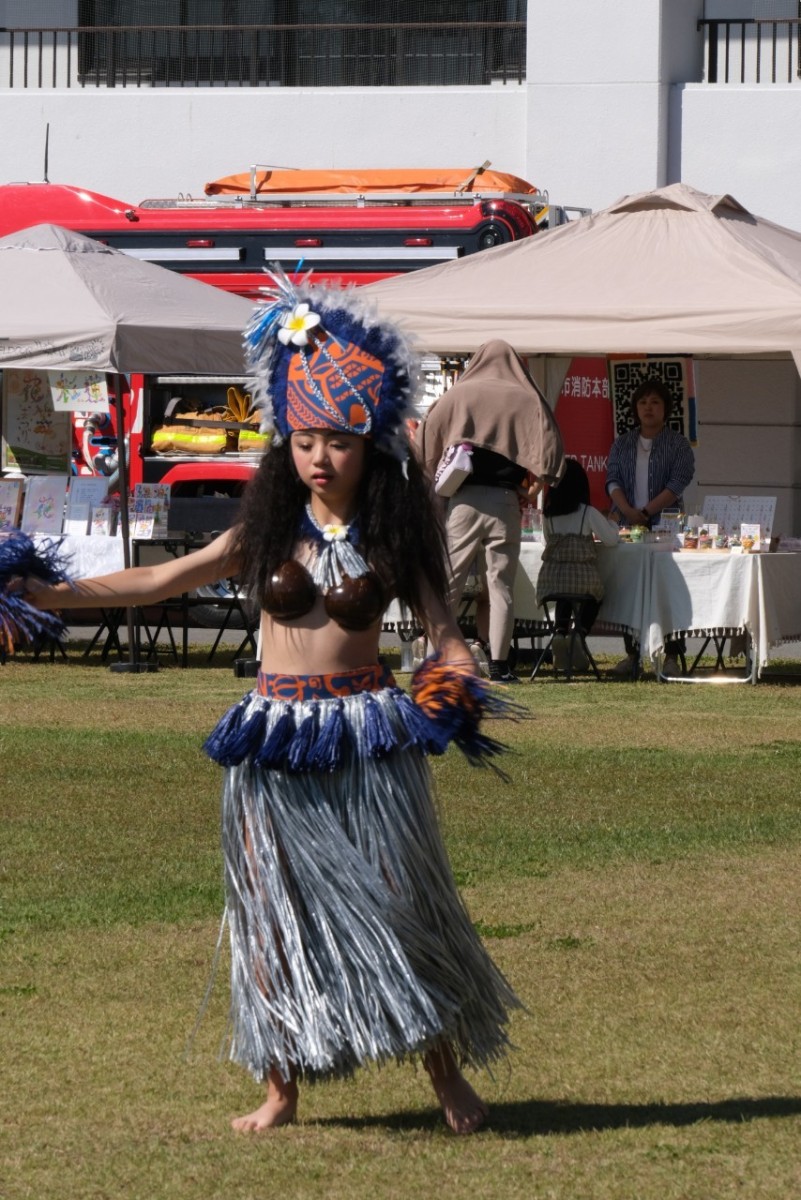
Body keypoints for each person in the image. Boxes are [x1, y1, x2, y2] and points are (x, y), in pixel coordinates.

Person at [13, 274, 520, 1136]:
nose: (319, 458)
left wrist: (457, 678)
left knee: (401, 899)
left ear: (370, 447)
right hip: (273, 735)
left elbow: (446, 633)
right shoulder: (264, 533)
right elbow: (162, 579)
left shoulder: (396, 536)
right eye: (305, 439)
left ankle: (446, 1075)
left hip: (364, 735)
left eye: (338, 442)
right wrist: (51, 595)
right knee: (270, 912)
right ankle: (281, 1087)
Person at [416, 340, 564, 684]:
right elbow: (552, 447)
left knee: (449, 583)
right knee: (501, 587)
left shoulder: (460, 393)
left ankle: (437, 658)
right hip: (506, 502)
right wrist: (534, 487)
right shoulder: (527, 397)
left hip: (463, 501)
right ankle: (499, 665)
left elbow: (425, 437)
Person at [605, 378, 695, 678]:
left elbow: (678, 482)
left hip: (666, 528)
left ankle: (672, 656)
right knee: (629, 588)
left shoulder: (678, 444)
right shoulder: (622, 443)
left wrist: (645, 512)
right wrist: (629, 512)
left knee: (668, 589)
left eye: (655, 402)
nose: (648, 408)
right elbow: (612, 480)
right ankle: (632, 655)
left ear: (666, 408)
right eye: (643, 402)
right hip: (628, 528)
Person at [536, 458, 619, 672]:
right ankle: (579, 635)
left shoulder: (548, 515)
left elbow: (547, 541)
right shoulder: (587, 512)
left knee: (564, 594)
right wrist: (612, 521)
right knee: (595, 595)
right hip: (582, 577)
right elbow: (611, 539)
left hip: (551, 580)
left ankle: (560, 632)